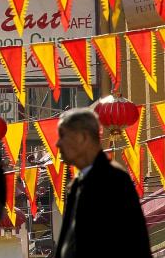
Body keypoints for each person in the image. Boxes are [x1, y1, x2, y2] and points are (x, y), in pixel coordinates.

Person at [55, 107, 151, 257]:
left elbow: (134, 243)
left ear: (83, 137)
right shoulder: (77, 183)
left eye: (63, 136)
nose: (58, 144)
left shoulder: (113, 180)